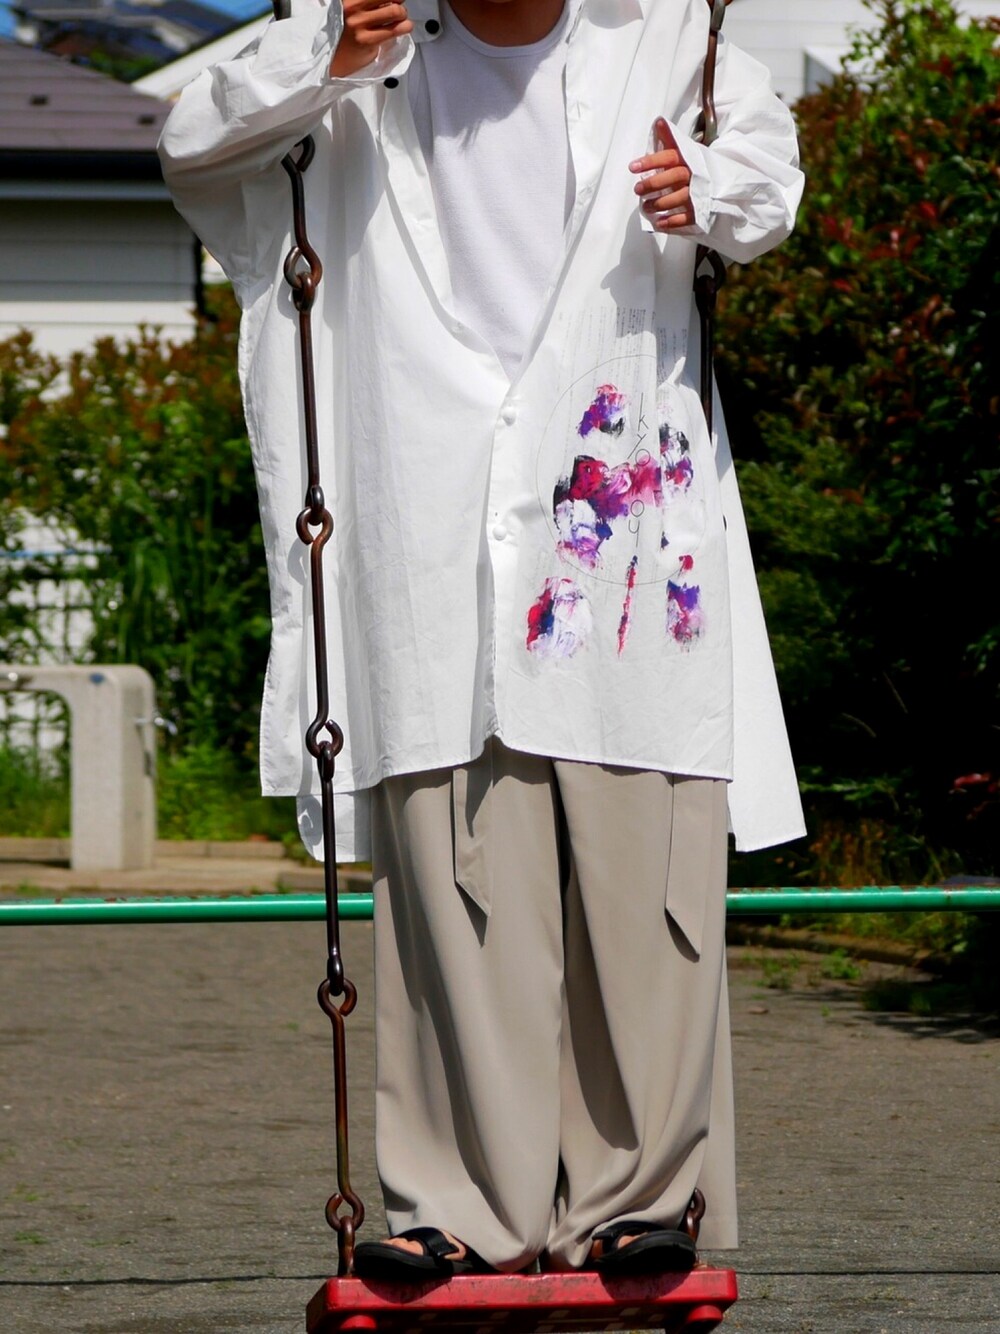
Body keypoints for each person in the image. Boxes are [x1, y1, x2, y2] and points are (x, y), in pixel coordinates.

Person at [159, 0, 805, 1280]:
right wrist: (325, 59)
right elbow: (191, 146)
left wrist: (709, 193)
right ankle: (459, 1207)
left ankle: (640, 1201)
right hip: (432, 530)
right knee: (455, 894)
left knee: (647, 886)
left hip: (624, 528)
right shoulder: (356, 51)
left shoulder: (671, 34)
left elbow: (765, 180)